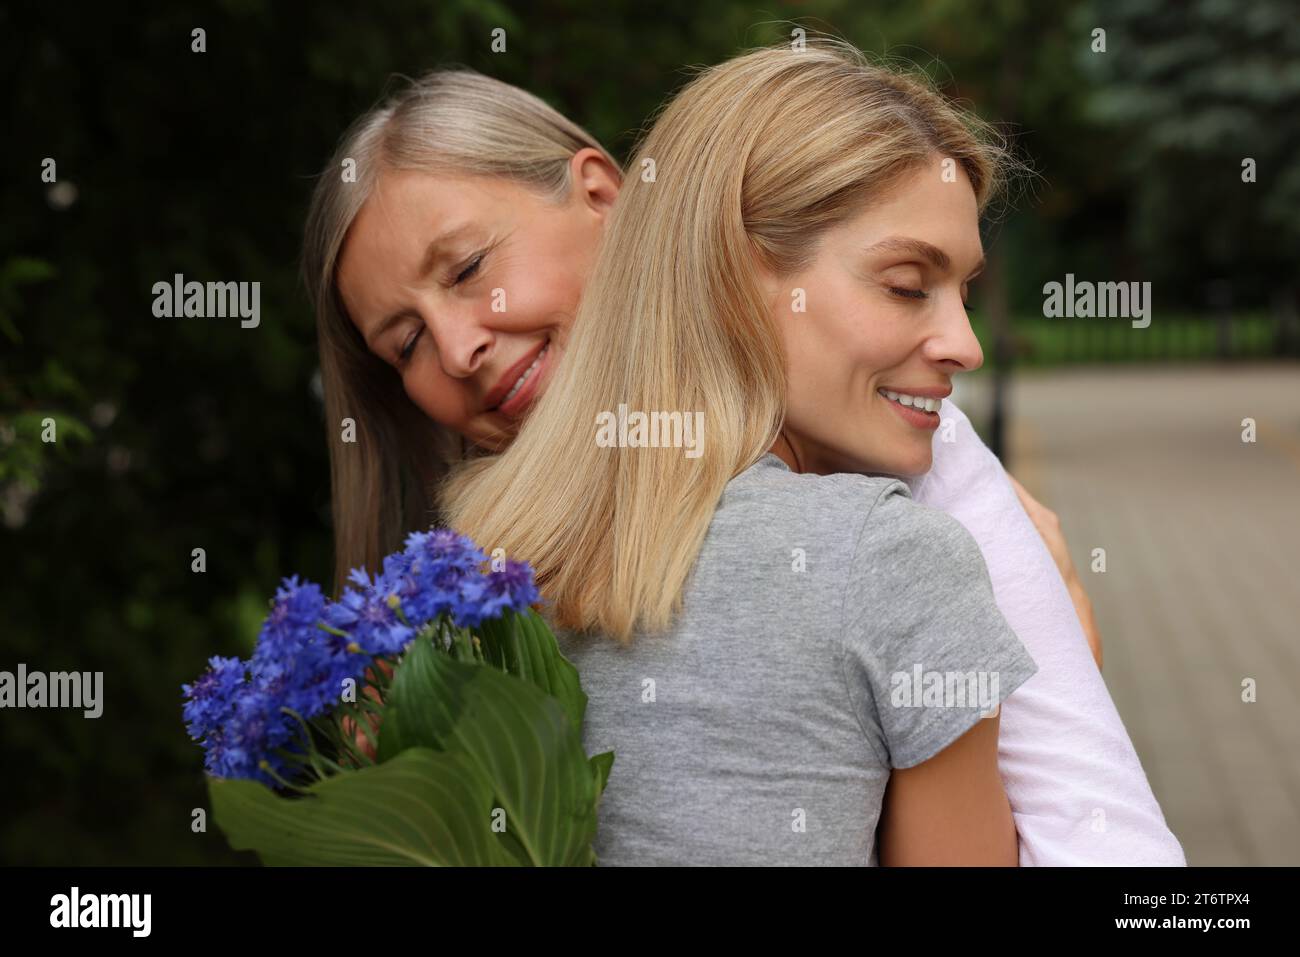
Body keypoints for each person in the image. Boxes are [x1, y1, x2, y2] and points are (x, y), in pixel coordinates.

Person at [303, 38, 1185, 865]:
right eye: (406, 341)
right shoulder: (454, 610)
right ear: (739, 265)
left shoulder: (926, 488)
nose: (457, 346)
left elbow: (1084, 802)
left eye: (465, 270)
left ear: (606, 197)